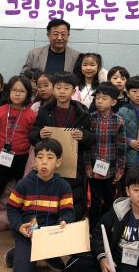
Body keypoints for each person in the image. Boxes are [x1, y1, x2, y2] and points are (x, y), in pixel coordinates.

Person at [5, 138, 75, 272]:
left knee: (64, 264)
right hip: (27, 235)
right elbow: (12, 209)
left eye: (50, 158)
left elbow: (68, 211)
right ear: (35, 161)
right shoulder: (23, 184)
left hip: (50, 236)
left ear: (58, 162)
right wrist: (19, 226)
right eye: (40, 157)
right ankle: (18, 252)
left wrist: (64, 221)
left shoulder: (63, 186)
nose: (44, 162)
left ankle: (45, 253)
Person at [30, 72, 94, 221]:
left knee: (73, 198)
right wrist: (39, 134)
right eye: (58, 88)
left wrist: (84, 135)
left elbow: (92, 138)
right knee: (50, 197)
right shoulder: (45, 111)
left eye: (66, 88)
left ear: (73, 91)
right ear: (53, 90)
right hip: (49, 163)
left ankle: (70, 223)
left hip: (74, 165)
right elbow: (32, 136)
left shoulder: (82, 112)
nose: (62, 91)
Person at [0, 75, 37, 224]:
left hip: (22, 158)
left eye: (22, 91)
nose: (17, 94)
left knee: (23, 191)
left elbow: (32, 140)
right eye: (14, 90)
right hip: (1, 156)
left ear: (28, 94)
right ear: (8, 92)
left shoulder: (32, 115)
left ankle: (24, 224)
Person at [86, 82, 127, 231]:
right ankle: (94, 230)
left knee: (109, 200)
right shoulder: (90, 119)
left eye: (104, 98)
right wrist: (87, 165)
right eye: (97, 98)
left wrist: (120, 169)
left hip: (111, 170)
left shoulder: (119, 121)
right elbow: (86, 146)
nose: (100, 101)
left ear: (113, 102)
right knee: (94, 201)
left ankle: (106, 228)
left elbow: (121, 147)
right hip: (93, 169)